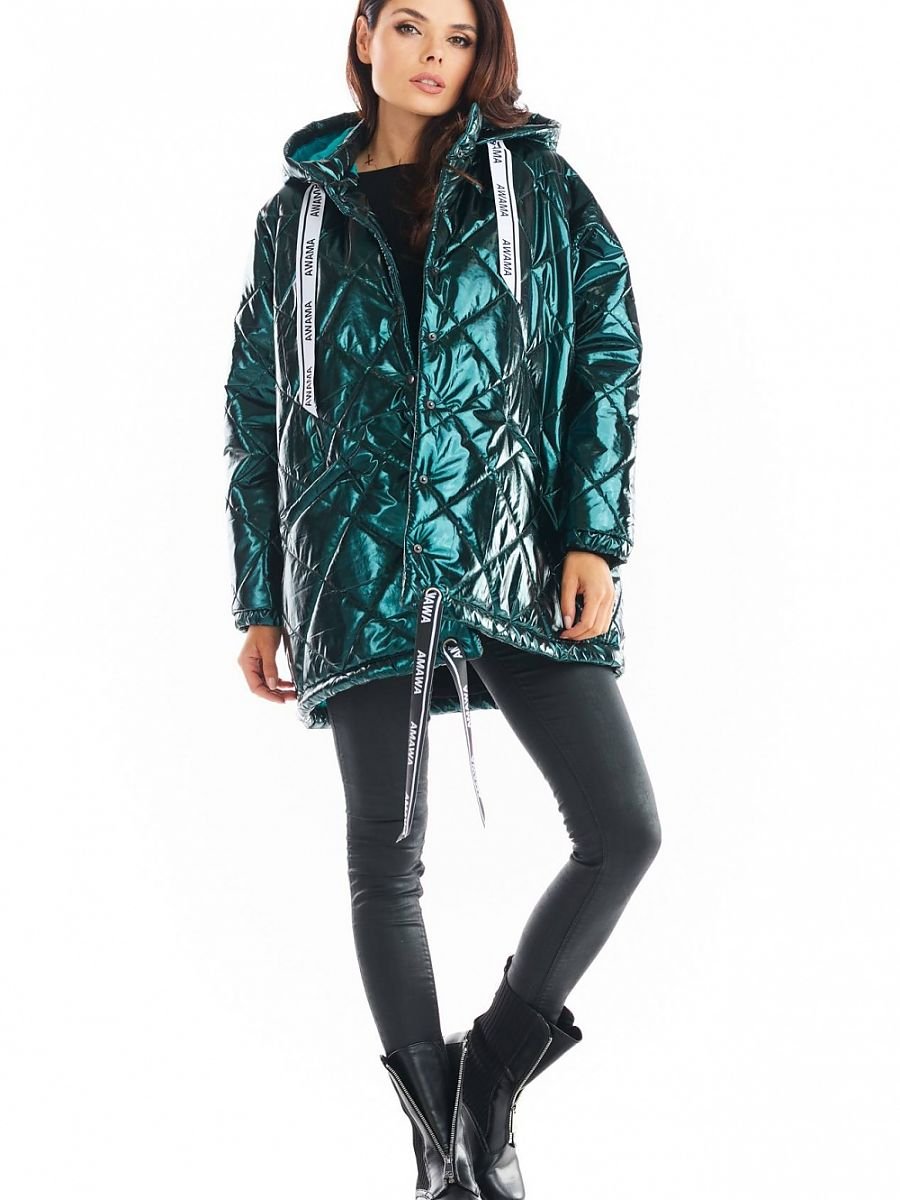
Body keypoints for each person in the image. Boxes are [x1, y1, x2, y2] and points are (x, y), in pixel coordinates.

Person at [223, 1, 662, 1195]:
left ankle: (493, 1073)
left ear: (483, 53)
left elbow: (607, 358)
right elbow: (256, 415)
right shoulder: (293, 219)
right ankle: (440, 1155)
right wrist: (260, 597)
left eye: (458, 37)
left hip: (512, 553)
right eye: (410, 26)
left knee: (623, 829)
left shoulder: (539, 186)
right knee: (385, 856)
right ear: (365, 35)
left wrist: (593, 536)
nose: (432, 56)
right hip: (355, 564)